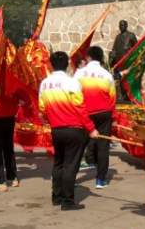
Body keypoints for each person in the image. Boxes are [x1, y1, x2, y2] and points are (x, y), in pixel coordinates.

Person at [39, 51, 99, 211]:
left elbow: (42, 108)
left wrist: (52, 118)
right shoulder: (72, 83)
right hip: (74, 129)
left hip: (56, 130)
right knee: (70, 165)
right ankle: (67, 200)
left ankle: (56, 196)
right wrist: (91, 129)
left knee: (59, 162)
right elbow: (80, 108)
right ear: (66, 65)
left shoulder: (44, 84)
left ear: (51, 64)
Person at [73, 46, 116, 189]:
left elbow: (73, 95)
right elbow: (112, 99)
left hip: (85, 114)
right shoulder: (107, 75)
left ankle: (72, 177)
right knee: (103, 147)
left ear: (89, 57)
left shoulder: (79, 74)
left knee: (79, 146)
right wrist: (112, 117)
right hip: (104, 113)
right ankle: (101, 180)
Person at [0, 80, 28, 192]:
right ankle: (12, 177)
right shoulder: (11, 79)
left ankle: (0, 181)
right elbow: (24, 97)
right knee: (8, 147)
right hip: (9, 116)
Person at [109, 20, 138, 101]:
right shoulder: (117, 37)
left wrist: (133, 57)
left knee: (128, 79)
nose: (121, 26)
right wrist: (112, 59)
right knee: (120, 79)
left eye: (122, 25)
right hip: (119, 61)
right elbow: (114, 49)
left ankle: (130, 97)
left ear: (126, 26)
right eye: (120, 25)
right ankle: (122, 97)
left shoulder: (131, 35)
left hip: (127, 61)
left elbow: (137, 47)